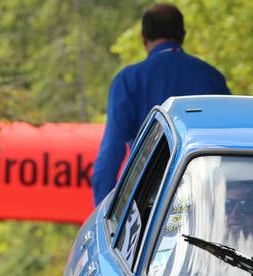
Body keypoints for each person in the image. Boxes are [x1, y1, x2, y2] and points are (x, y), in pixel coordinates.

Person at [92, 3, 230, 205]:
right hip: (205, 199)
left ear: (143, 38)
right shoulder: (212, 77)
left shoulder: (129, 80)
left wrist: (103, 216)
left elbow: (110, 154)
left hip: (149, 204)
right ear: (183, 35)